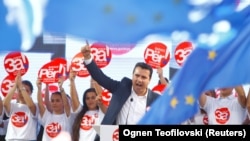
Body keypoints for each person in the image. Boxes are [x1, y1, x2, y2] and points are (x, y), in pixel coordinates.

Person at [81, 43, 161, 125]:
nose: (139, 80)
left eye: (143, 77)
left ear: (149, 80)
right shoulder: (122, 87)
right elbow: (101, 78)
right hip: (114, 135)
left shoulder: (157, 100)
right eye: (137, 75)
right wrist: (88, 58)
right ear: (132, 76)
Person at [69, 70, 106, 141]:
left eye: (93, 98)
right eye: (87, 98)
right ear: (84, 100)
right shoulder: (81, 112)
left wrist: (94, 74)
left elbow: (101, 95)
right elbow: (74, 98)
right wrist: (72, 81)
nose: (90, 100)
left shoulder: (102, 112)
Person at [3, 72, 38, 141]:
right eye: (20, 91)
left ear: (31, 93)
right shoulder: (13, 104)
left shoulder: (35, 105)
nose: (22, 93)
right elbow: (5, 103)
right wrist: (15, 85)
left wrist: (21, 87)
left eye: (26, 91)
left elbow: (31, 106)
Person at [37, 76, 72, 141]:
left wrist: (61, 87)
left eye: (57, 100)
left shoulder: (67, 117)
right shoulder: (47, 116)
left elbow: (66, 104)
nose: (54, 103)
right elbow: (40, 104)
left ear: (63, 102)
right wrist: (39, 88)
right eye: (52, 101)